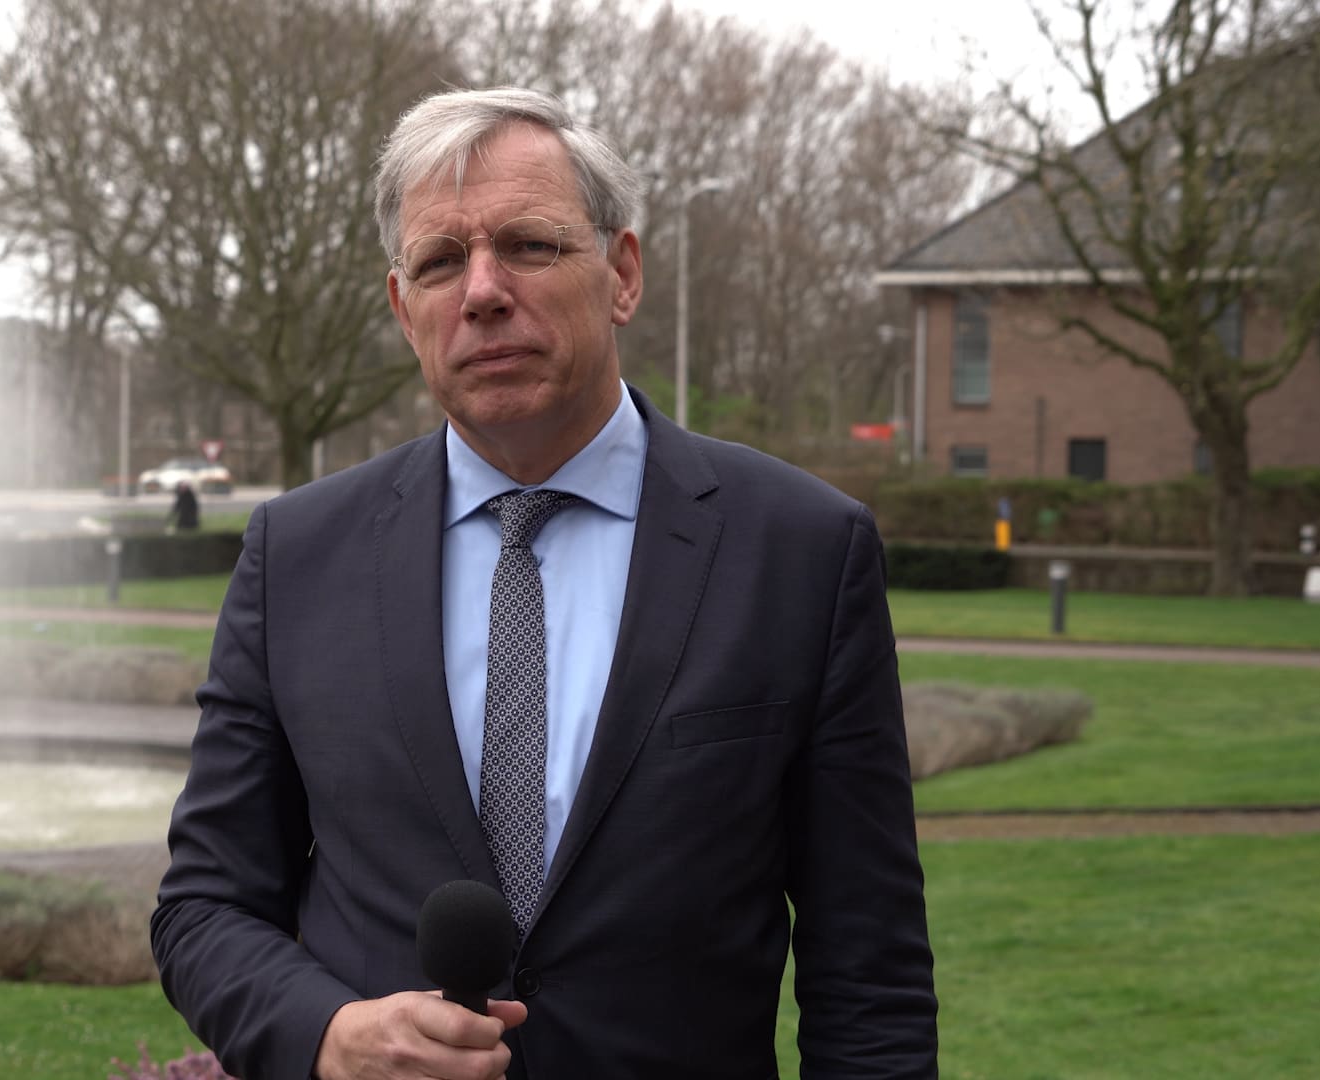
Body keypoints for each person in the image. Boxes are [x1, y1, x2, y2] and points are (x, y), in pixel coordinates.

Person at [152, 86, 936, 1079]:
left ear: (622, 274)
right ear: (404, 309)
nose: (482, 291)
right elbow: (205, 906)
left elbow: (870, 971)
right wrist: (326, 1034)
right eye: (440, 262)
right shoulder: (297, 556)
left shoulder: (799, 551)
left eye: (528, 245)